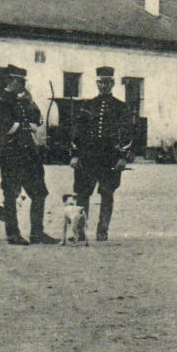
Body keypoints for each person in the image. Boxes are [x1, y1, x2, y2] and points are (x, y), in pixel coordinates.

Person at [0, 66, 52, 245]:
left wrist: (31, 102)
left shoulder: (22, 102)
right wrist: (25, 126)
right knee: (11, 194)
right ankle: (12, 233)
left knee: (39, 193)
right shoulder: (0, 102)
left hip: (29, 155)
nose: (23, 86)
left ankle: (37, 233)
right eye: (21, 82)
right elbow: (2, 128)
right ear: (12, 81)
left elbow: (37, 120)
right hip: (11, 155)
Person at [71, 66, 133, 241]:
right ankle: (81, 230)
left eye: (106, 82)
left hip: (109, 157)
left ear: (112, 83)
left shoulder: (121, 107)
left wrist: (123, 157)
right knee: (83, 193)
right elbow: (78, 131)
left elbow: (127, 132)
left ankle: (102, 230)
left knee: (107, 193)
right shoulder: (87, 105)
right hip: (88, 156)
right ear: (97, 83)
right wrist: (75, 154)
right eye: (100, 82)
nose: (103, 86)